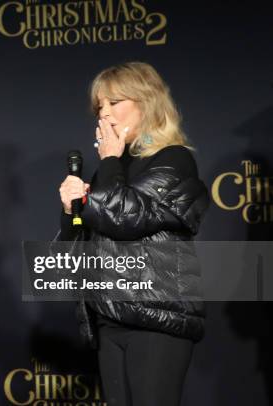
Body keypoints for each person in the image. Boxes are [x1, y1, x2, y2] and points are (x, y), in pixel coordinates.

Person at [58, 62, 209, 406]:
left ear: (147, 102)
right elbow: (75, 249)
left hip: (156, 319)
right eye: (100, 106)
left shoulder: (174, 160)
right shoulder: (112, 169)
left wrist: (109, 160)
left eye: (115, 102)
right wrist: (71, 213)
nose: (105, 114)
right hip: (110, 317)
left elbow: (125, 217)